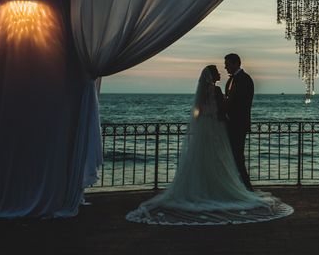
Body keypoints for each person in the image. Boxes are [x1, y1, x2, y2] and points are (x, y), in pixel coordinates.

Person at [125, 64, 292, 225]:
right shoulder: (218, 89)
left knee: (204, 157)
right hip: (217, 126)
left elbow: (198, 110)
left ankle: (204, 189)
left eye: (225, 66)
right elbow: (222, 108)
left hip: (205, 126)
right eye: (218, 71)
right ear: (213, 76)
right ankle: (225, 188)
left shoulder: (207, 90)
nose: (222, 71)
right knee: (219, 158)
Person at [223, 53, 254, 190]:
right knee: (233, 157)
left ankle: (246, 187)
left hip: (239, 124)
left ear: (236, 63)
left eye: (227, 64)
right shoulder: (231, 80)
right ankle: (236, 186)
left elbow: (238, 103)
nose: (225, 67)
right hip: (230, 124)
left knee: (238, 156)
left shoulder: (245, 79)